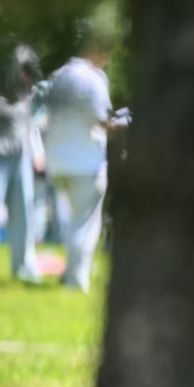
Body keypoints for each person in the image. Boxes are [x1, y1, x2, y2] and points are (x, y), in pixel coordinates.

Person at [43, 33, 124, 292]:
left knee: (71, 221)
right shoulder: (93, 78)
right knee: (85, 224)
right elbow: (102, 120)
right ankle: (76, 280)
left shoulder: (59, 75)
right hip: (85, 161)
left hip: (56, 159)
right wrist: (124, 122)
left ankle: (70, 272)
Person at [0, 43, 43, 284]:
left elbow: (31, 127)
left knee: (23, 213)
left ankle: (24, 266)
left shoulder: (27, 97)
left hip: (22, 157)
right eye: (23, 72)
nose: (26, 78)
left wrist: (37, 153)